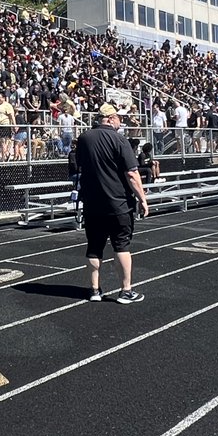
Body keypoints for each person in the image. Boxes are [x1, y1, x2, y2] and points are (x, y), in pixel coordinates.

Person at [76, 103, 149, 303]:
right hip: (118, 203)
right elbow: (132, 174)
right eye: (118, 118)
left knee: (94, 247)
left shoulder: (84, 138)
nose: (121, 121)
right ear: (110, 118)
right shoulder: (119, 140)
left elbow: (79, 166)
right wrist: (143, 199)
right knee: (121, 246)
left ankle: (94, 290)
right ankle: (125, 290)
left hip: (92, 203)